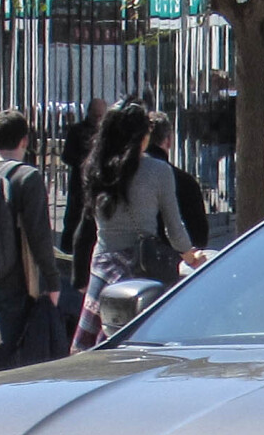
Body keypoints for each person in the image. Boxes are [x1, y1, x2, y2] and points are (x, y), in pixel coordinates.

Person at [72, 104, 204, 352]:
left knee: (89, 349)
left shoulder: (94, 167)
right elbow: (175, 230)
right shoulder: (158, 171)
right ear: (144, 136)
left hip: (102, 267)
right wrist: (190, 255)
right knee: (140, 344)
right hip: (141, 268)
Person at [0, 109, 64, 371]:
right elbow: (39, 235)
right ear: (24, 142)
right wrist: (52, 282)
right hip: (14, 285)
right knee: (6, 362)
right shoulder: (27, 177)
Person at [147, 117, 212, 272]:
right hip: (174, 264)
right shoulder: (184, 182)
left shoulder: (124, 177)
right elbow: (199, 236)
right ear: (169, 141)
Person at [58, 97, 106, 298]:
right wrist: (83, 163)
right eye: (95, 114)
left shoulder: (105, 133)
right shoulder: (77, 130)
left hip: (97, 184)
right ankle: (67, 250)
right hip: (80, 183)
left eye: (100, 114)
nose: (97, 118)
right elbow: (67, 155)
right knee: (75, 215)